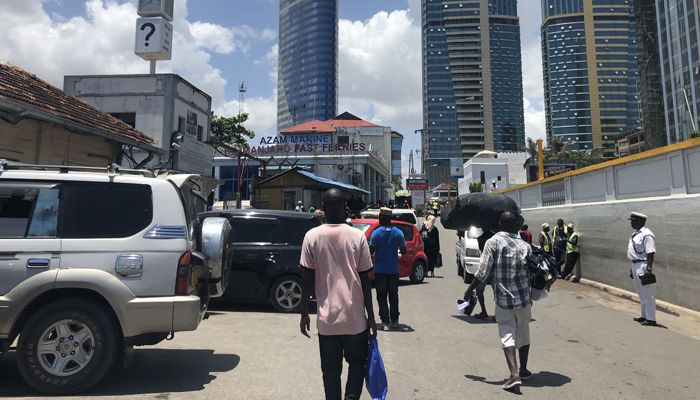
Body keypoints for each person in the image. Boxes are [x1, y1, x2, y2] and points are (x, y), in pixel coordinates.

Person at [299, 188, 377, 400]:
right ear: (345, 208)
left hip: (328, 322)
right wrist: (371, 316)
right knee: (357, 366)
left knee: (330, 373)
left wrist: (304, 313)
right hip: (355, 321)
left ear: (323, 209)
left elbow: (306, 280)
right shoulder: (357, 236)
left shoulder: (311, 237)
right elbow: (365, 280)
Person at [464, 212, 533, 391]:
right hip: (525, 299)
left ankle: (514, 374)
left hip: (504, 299)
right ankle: (524, 370)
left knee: (507, 334)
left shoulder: (493, 242)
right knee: (524, 332)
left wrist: (469, 290)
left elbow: (483, 272)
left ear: (500, 224)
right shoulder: (525, 244)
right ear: (516, 225)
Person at [369, 207, 406, 330]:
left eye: (380, 216)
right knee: (393, 295)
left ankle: (385, 322)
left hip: (380, 270)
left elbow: (371, 250)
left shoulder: (376, 233)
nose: (379, 218)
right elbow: (404, 251)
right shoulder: (399, 233)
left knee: (381, 296)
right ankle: (395, 320)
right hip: (393, 270)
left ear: (384, 218)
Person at [628, 212, 657, 326]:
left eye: (633, 220)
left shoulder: (647, 234)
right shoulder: (635, 234)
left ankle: (651, 319)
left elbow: (650, 252)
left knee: (648, 293)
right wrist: (632, 268)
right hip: (635, 265)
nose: (631, 222)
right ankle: (644, 315)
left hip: (643, 265)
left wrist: (648, 269)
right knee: (641, 292)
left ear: (640, 221)